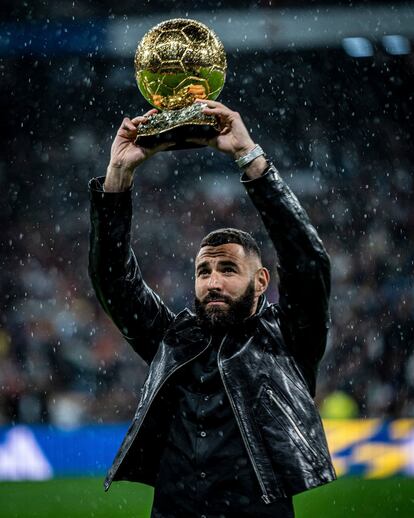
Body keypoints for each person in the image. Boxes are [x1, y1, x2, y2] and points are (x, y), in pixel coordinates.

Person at [88, 100, 336, 517]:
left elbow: (307, 260)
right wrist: (118, 176)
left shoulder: (289, 340)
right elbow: (114, 282)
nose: (213, 282)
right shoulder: (173, 338)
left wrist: (249, 158)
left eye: (227, 269)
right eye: (203, 271)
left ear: (261, 281)